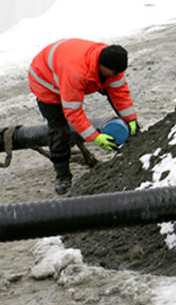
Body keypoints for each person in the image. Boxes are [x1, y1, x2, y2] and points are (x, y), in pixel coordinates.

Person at [28, 39, 139, 194]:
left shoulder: (113, 63)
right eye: (113, 73)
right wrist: (94, 137)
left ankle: (134, 140)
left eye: (118, 73)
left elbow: (119, 93)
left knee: (114, 93)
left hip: (67, 65)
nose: (116, 76)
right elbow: (72, 112)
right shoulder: (76, 72)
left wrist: (131, 119)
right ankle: (63, 175)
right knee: (59, 128)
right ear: (102, 66)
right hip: (46, 82)